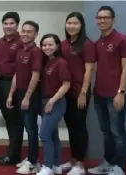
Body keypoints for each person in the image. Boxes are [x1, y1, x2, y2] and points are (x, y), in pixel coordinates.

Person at [88, 6, 126, 175]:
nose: (102, 20)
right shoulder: (97, 43)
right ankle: (108, 162)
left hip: (115, 94)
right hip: (99, 94)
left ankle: (120, 168)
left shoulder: (123, 40)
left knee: (117, 132)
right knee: (106, 132)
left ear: (113, 20)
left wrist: (121, 92)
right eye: (99, 17)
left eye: (106, 17)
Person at [60, 12, 95, 175]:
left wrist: (83, 92)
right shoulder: (63, 44)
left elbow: (89, 70)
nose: (71, 26)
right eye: (69, 23)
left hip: (80, 91)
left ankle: (80, 163)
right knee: (71, 126)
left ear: (81, 25)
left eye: (75, 23)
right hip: (65, 92)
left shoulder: (87, 44)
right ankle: (73, 159)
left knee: (80, 126)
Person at [7, 20, 42, 174]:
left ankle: (33, 162)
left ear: (35, 34)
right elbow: (16, 74)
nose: (25, 34)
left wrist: (27, 97)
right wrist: (10, 94)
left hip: (31, 94)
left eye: (29, 32)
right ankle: (29, 158)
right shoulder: (21, 51)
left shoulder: (36, 52)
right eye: (24, 31)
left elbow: (35, 75)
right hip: (19, 93)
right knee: (26, 127)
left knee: (31, 128)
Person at [36, 34, 71, 175]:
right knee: (52, 134)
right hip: (45, 101)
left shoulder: (60, 62)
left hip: (56, 102)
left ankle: (48, 166)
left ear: (57, 46)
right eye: (44, 45)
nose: (47, 47)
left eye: (50, 44)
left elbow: (66, 84)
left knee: (44, 134)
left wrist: (52, 100)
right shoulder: (47, 62)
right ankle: (56, 165)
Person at [0, 12, 25, 166]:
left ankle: (13, 155)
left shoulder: (21, 42)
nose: (8, 26)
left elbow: (20, 68)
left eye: (11, 23)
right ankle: (13, 152)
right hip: (0, 84)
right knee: (8, 119)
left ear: (17, 25)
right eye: (5, 23)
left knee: (15, 121)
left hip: (14, 85)